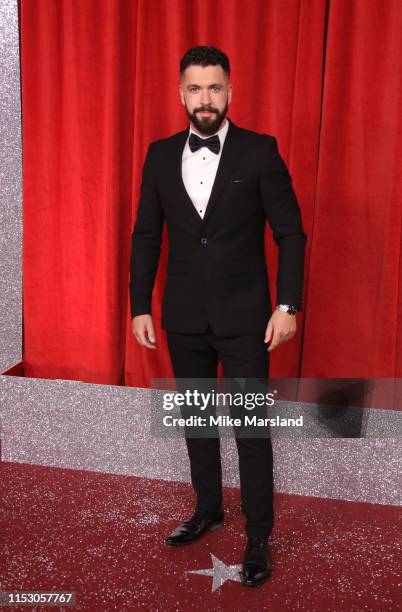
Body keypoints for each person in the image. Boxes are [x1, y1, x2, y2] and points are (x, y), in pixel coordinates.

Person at [129, 45, 307, 587]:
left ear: (230, 90)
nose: (204, 99)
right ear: (181, 92)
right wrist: (140, 304)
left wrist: (288, 305)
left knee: (251, 429)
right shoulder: (159, 156)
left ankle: (258, 535)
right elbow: (145, 236)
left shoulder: (260, 152)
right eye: (194, 88)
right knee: (198, 424)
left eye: (214, 88)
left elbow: (291, 234)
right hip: (183, 317)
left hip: (246, 319)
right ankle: (208, 508)